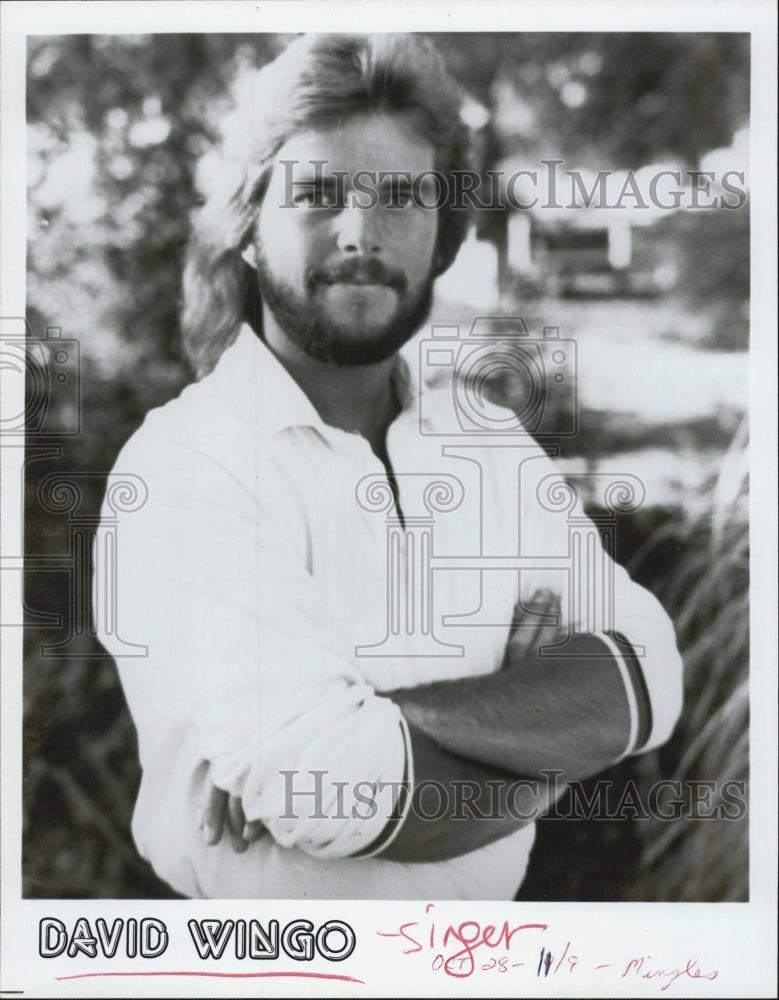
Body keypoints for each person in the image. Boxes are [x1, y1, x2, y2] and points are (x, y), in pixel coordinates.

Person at [96, 33, 682, 900]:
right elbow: (326, 783)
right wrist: (545, 740)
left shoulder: (485, 444)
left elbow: (649, 673)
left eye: (403, 196)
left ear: (442, 237)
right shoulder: (186, 464)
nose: (361, 232)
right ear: (248, 228)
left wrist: (378, 727)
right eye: (319, 193)